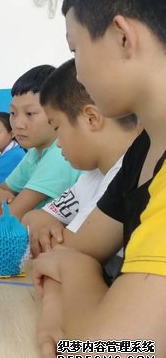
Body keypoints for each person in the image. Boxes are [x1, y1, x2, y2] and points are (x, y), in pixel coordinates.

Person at [32, 0, 166, 358]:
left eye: (76, 50)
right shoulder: (144, 151)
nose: (78, 73)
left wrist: (76, 273)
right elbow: (66, 251)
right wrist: (55, 311)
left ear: (122, 36)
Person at [21, 59, 140, 257]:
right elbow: (31, 218)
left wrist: (46, 229)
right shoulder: (91, 177)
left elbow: (68, 254)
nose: (58, 144)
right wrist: (40, 219)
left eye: (57, 128)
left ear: (91, 119)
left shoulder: (126, 173)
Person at [0, 65, 81, 219]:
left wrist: (1, 202)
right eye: (13, 113)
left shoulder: (61, 153)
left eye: (30, 113)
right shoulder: (34, 152)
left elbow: (10, 215)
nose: (18, 124)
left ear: (56, 112)